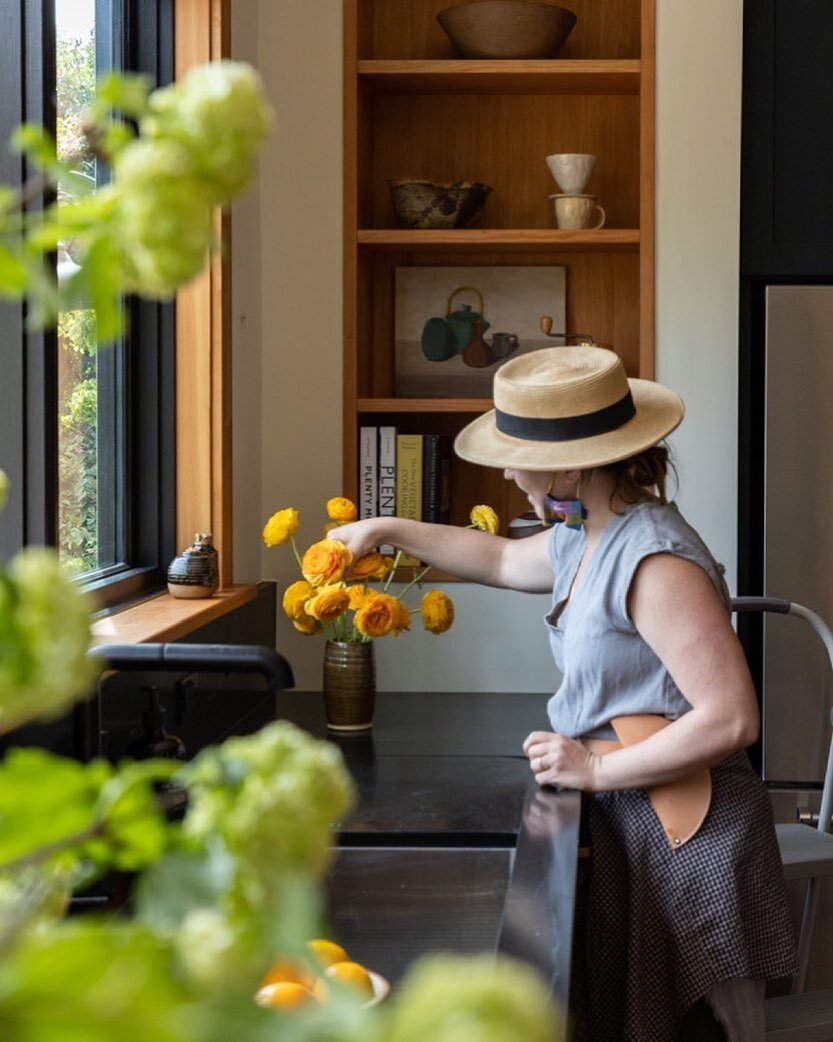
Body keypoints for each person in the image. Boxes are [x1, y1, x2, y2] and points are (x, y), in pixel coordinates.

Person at [332, 346, 798, 1042]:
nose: (507, 470)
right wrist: (386, 530)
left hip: (693, 832)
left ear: (571, 465)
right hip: (641, 810)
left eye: (515, 454)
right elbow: (493, 556)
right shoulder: (584, 534)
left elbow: (731, 717)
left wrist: (596, 769)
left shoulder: (655, 561)